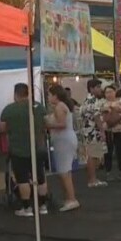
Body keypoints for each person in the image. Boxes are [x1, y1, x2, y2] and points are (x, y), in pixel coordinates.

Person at [0, 83, 50, 217]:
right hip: (38, 148)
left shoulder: (9, 109)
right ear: (28, 93)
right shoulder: (39, 107)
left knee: (22, 179)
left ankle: (27, 208)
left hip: (18, 149)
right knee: (40, 177)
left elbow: (2, 128)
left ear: (15, 94)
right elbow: (46, 123)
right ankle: (43, 206)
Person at [45, 84, 80, 212]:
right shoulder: (62, 106)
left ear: (55, 95)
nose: (48, 97)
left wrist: (47, 125)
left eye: (49, 95)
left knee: (64, 171)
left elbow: (61, 124)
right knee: (65, 171)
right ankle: (70, 198)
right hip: (64, 139)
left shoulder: (60, 106)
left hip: (63, 140)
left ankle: (71, 199)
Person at [78, 79, 108, 188]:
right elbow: (96, 117)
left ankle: (93, 178)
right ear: (91, 89)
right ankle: (92, 180)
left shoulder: (86, 101)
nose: (100, 89)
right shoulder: (93, 101)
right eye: (98, 87)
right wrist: (102, 131)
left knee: (92, 155)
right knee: (93, 156)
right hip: (93, 132)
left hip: (87, 131)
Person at [100, 85, 121, 179]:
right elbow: (99, 115)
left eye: (110, 92)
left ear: (115, 92)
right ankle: (108, 172)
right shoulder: (102, 103)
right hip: (108, 130)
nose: (108, 94)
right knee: (108, 151)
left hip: (120, 129)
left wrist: (118, 109)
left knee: (120, 151)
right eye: (106, 92)